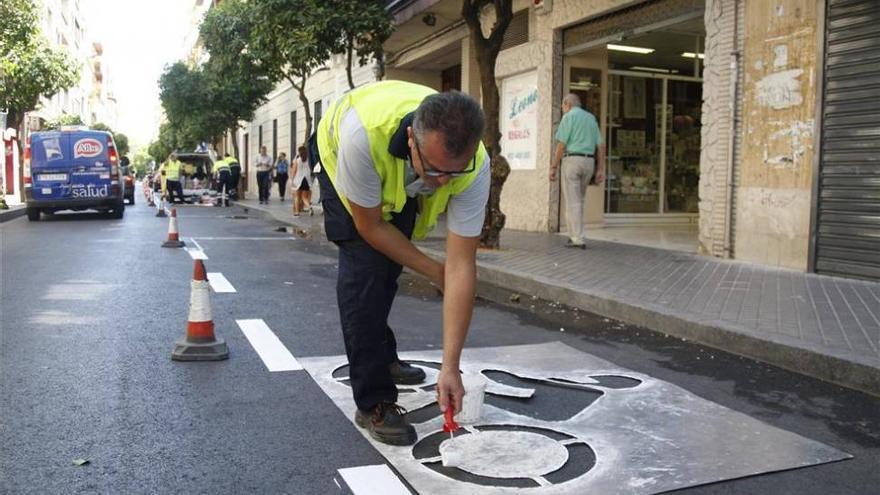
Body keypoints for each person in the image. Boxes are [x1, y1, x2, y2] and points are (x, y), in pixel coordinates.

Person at [316, 80, 490, 446]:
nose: (443, 182)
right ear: (412, 138)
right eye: (434, 169)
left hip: (398, 168)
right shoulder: (361, 138)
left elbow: (462, 264)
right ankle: (374, 401)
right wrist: (435, 271)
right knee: (366, 270)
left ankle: (385, 355)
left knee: (390, 266)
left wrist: (450, 368)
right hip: (341, 158)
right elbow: (371, 226)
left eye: (454, 173)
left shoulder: (475, 166)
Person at [550, 93, 605, 249]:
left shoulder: (568, 117)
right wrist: (601, 168)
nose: (562, 109)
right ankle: (573, 233)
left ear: (567, 104)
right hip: (589, 162)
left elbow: (561, 145)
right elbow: (601, 145)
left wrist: (554, 166)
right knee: (578, 200)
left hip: (572, 161)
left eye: (562, 106)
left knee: (572, 201)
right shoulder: (591, 118)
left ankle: (578, 238)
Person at [290, 145, 312, 216]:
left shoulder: (297, 160)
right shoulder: (309, 160)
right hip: (307, 180)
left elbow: (294, 171)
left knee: (297, 197)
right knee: (304, 197)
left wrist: (292, 180)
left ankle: (297, 212)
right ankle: (309, 207)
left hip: (298, 180)